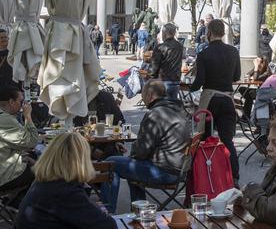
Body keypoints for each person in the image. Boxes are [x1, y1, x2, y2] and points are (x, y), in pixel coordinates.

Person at [101, 80, 191, 213]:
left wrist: (133, 152)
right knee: (131, 166)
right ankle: (138, 208)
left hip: (162, 171)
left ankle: (107, 211)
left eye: (142, 95)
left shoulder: (155, 114)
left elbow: (141, 151)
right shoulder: (179, 110)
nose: (142, 99)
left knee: (110, 162)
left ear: (150, 95)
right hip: (178, 170)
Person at [188, 19, 241, 181]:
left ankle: (203, 175)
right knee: (227, 140)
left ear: (208, 33)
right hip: (227, 99)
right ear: (224, 33)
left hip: (210, 100)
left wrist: (187, 87)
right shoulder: (233, 51)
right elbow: (237, 76)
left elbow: (198, 83)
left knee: (202, 139)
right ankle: (234, 177)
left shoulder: (204, 53)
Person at [150, 23, 184, 101]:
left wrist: (151, 78)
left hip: (164, 81)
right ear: (174, 33)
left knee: (164, 107)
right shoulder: (180, 46)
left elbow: (154, 66)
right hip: (176, 80)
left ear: (164, 33)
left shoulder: (160, 47)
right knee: (172, 107)